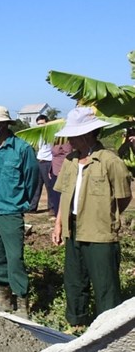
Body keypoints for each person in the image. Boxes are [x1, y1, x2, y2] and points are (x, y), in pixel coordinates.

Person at [52, 107, 131, 328]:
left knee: (105, 283)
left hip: (100, 231)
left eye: (73, 137)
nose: (69, 142)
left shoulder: (109, 161)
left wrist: (106, 216)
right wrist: (58, 223)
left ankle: (108, 328)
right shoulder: (70, 161)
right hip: (73, 227)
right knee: (74, 279)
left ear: (87, 135)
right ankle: (76, 322)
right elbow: (64, 195)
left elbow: (124, 197)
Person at [0, 106, 39, 318]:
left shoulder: (22, 149)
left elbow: (31, 180)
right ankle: (4, 297)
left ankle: (22, 301)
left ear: (3, 125)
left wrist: (21, 202)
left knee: (14, 257)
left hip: (10, 210)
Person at [29, 114, 56, 215]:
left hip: (48, 162)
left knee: (49, 186)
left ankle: (52, 208)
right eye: (38, 124)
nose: (40, 126)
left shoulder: (52, 135)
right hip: (38, 161)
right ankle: (32, 207)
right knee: (36, 185)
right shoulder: (38, 135)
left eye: (42, 124)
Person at [50, 141, 73, 216]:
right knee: (55, 193)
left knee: (61, 194)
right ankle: (57, 214)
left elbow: (69, 155)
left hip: (61, 171)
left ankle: (63, 215)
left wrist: (63, 169)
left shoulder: (65, 141)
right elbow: (53, 157)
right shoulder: (55, 141)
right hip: (54, 170)